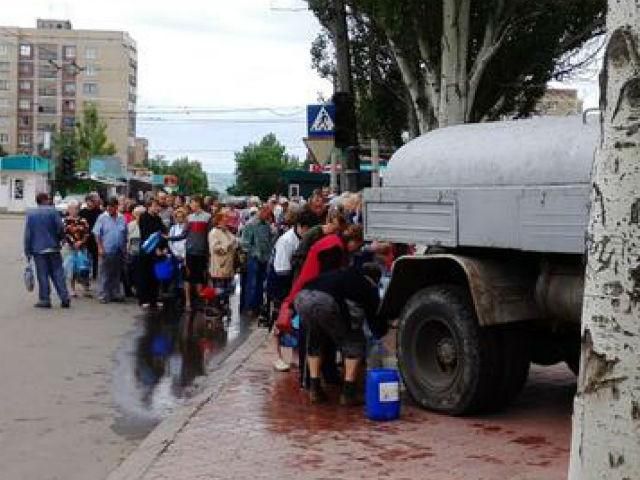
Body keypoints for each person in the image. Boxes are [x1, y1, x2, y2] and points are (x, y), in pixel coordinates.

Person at [294, 264, 387, 404]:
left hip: (302, 298)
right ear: (375, 279)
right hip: (325, 301)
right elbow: (374, 317)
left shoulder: (342, 273)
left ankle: (314, 389)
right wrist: (380, 331)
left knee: (316, 339)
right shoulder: (368, 285)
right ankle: (348, 393)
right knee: (354, 342)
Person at [269, 210, 316, 371]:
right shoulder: (286, 241)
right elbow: (282, 270)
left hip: (296, 285)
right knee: (280, 321)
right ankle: (277, 356)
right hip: (281, 284)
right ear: (301, 227)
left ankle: (295, 356)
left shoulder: (303, 240)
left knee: (295, 322)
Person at [24, 192, 71, 308]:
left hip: (38, 250)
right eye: (48, 199)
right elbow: (60, 227)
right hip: (53, 247)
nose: (50, 201)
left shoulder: (31, 214)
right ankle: (64, 298)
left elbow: (28, 234)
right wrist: (61, 239)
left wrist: (27, 250)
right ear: (45, 200)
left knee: (42, 275)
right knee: (58, 273)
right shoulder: (53, 212)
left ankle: (45, 300)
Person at [167, 195, 211, 311]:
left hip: (201, 252)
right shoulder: (189, 218)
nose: (190, 205)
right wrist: (170, 238)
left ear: (197, 203)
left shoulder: (207, 217)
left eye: (192, 203)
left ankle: (200, 301)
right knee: (188, 277)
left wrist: (209, 253)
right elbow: (184, 234)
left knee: (200, 278)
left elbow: (209, 236)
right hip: (190, 252)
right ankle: (188, 302)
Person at [240, 206, 274, 317]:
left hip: (264, 258)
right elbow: (245, 243)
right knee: (252, 283)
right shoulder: (251, 224)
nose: (269, 217)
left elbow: (269, 240)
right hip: (253, 258)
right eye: (267, 214)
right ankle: (249, 306)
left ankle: (257, 305)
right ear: (262, 212)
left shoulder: (266, 225)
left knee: (260, 283)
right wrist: (255, 253)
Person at [92, 197, 127, 304]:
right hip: (106, 249)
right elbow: (97, 234)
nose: (110, 208)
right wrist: (100, 247)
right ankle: (103, 294)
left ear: (116, 207)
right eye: (108, 206)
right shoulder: (102, 218)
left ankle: (114, 293)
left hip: (119, 249)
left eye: (112, 206)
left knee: (116, 273)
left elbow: (124, 233)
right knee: (104, 273)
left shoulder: (122, 218)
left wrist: (125, 247)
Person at [208, 211, 238, 316]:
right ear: (219, 220)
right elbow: (215, 248)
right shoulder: (214, 232)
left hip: (228, 265)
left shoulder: (226, 231)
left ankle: (224, 305)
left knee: (227, 287)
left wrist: (232, 244)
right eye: (225, 218)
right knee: (219, 287)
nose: (227, 220)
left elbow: (235, 241)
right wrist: (228, 245)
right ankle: (216, 306)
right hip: (219, 265)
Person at [138, 199, 166, 308]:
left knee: (155, 276)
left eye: (157, 206)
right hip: (147, 250)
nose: (156, 208)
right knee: (145, 276)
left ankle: (154, 299)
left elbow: (163, 233)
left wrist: (163, 247)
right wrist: (155, 248)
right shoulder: (144, 217)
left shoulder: (158, 218)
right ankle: (144, 299)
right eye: (154, 206)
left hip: (157, 252)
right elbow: (146, 235)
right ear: (148, 207)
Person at [62, 200, 91, 298]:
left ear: (78, 209)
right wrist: (73, 243)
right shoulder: (65, 221)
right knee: (70, 268)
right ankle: (71, 289)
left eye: (74, 208)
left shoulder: (83, 221)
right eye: (70, 208)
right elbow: (64, 234)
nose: (71, 210)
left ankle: (85, 285)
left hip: (81, 247)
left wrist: (81, 242)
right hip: (69, 247)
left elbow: (87, 233)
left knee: (82, 267)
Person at [80, 193, 102, 281]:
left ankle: (95, 275)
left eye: (95, 201)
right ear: (87, 201)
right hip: (85, 239)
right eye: (92, 201)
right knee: (86, 258)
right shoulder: (82, 212)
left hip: (96, 238)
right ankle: (85, 275)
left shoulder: (99, 212)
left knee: (96, 257)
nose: (93, 203)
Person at [126, 205, 146, 298]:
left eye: (140, 214)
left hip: (143, 252)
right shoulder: (131, 225)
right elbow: (127, 238)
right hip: (131, 252)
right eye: (136, 214)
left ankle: (140, 291)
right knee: (130, 272)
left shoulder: (146, 224)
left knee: (140, 273)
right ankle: (129, 290)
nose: (138, 216)